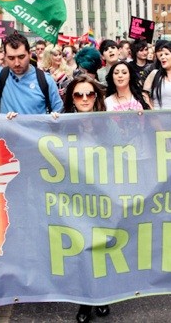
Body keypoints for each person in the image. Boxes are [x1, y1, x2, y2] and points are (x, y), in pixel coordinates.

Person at [58, 75, 109, 322]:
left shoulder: (107, 123)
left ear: (97, 97)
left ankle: (105, 296)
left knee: (103, 246)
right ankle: (85, 301)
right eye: (79, 95)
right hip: (75, 197)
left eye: (90, 94)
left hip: (104, 195)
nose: (85, 99)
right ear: (71, 99)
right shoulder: (61, 123)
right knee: (82, 248)